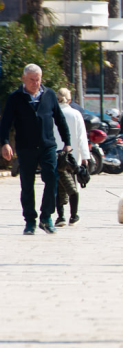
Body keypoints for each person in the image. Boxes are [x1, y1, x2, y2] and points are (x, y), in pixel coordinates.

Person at [0, 63, 72, 234]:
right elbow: (5, 123)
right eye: (31, 80)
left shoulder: (49, 95)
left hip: (47, 146)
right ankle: (30, 221)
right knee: (27, 184)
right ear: (24, 79)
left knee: (52, 178)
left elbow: (60, 120)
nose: (35, 83)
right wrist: (5, 143)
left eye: (37, 80)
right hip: (26, 147)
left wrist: (67, 142)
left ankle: (46, 217)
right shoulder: (15, 98)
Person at [52, 88, 89, 228]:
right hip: (71, 156)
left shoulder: (52, 114)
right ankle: (73, 216)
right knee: (73, 185)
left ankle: (60, 216)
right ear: (69, 99)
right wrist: (85, 157)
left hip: (55, 155)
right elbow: (81, 138)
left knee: (58, 185)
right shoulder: (75, 114)